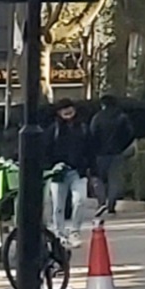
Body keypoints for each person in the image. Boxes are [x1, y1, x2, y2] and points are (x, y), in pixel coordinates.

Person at [45, 99, 93, 246]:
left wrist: (91, 170)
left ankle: (75, 231)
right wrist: (52, 166)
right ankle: (59, 233)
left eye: (70, 108)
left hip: (78, 171)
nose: (67, 111)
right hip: (58, 173)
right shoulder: (53, 130)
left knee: (80, 201)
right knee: (57, 206)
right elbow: (45, 150)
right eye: (63, 109)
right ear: (58, 112)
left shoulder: (83, 128)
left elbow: (91, 149)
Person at [90, 95, 135, 214]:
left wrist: (94, 150)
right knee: (114, 179)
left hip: (100, 153)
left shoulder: (97, 118)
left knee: (99, 178)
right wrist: (122, 147)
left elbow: (93, 134)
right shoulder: (122, 117)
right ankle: (111, 204)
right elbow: (129, 134)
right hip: (117, 152)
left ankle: (101, 201)